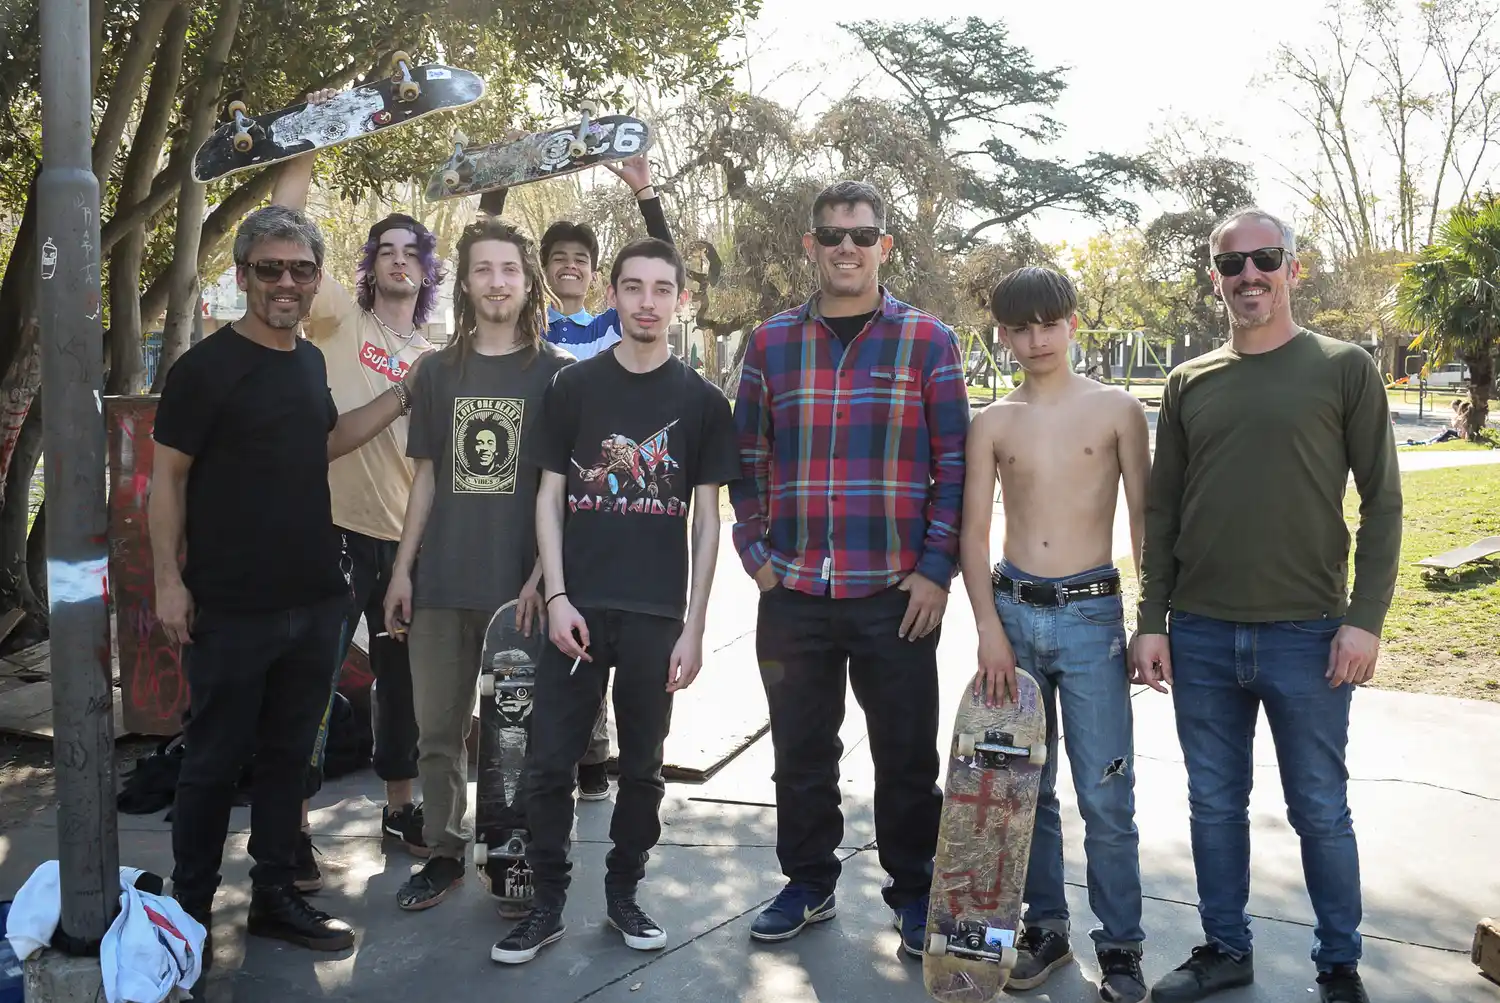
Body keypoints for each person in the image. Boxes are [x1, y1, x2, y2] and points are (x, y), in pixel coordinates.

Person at [1131, 208, 1401, 1003]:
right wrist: (1153, 620)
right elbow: (1163, 512)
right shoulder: (1189, 380)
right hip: (1203, 631)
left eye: (1265, 258)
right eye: (1232, 263)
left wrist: (1367, 617)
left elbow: (1382, 503)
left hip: (1309, 633)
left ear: (1292, 267)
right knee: (1213, 804)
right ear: (1214, 277)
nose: (1249, 274)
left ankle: (1339, 963)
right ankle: (1224, 948)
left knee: (1319, 806)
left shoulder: (1344, 367)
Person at [151, 204, 422, 955]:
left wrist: (403, 394)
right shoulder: (203, 370)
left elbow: (325, 441)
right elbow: (166, 480)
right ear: (242, 275)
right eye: (270, 268)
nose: (286, 283)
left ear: (316, 281)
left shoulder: (306, 361)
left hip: (312, 599)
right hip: (232, 606)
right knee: (210, 762)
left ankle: (273, 894)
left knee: (286, 757)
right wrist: (168, 584)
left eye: (301, 270)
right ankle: (190, 914)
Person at [728, 180, 970, 955]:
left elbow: (954, 463)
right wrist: (758, 558)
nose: (846, 248)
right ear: (810, 246)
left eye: (862, 236)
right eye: (831, 235)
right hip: (793, 592)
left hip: (895, 592)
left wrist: (936, 569)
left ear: (884, 247)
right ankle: (808, 882)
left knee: (906, 755)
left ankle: (914, 890)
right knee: (801, 753)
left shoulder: (927, 341)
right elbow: (746, 459)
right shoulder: (769, 343)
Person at [491, 237, 737, 964]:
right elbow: (548, 496)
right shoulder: (572, 389)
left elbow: (707, 520)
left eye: (662, 289)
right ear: (615, 294)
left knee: (641, 769)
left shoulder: (700, 401)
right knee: (546, 764)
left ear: (679, 300)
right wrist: (558, 594)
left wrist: (694, 626)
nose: (647, 302)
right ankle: (547, 904)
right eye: (633, 287)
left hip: (657, 616)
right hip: (579, 610)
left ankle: (624, 893)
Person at [959, 266, 1152, 1002]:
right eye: (1019, 326)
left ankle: (1123, 945)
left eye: (1049, 322)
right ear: (1002, 335)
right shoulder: (994, 421)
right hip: (1013, 614)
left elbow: (1145, 523)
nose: (1035, 339)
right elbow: (973, 536)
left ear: (1072, 322)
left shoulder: (1117, 410)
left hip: (1092, 616)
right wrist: (989, 631)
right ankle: (1046, 926)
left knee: (1105, 791)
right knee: (1021, 788)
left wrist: (1146, 623)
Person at [381, 218, 574, 912]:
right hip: (439, 587)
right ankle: (442, 850)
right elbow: (426, 480)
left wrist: (543, 581)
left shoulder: (559, 377)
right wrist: (403, 570)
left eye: (510, 270)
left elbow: (564, 494)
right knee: (436, 732)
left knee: (512, 738)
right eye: (484, 270)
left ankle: (513, 852)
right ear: (465, 282)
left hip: (515, 596)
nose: (497, 281)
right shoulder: (435, 371)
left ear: (529, 283)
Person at [272, 108, 437, 879]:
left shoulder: (439, 355)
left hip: (406, 543)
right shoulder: (339, 317)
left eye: (413, 252)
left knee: (400, 686)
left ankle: (400, 807)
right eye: (387, 250)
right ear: (372, 265)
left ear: (427, 270)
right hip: (331, 528)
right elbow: (287, 226)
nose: (399, 260)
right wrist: (312, 136)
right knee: (310, 678)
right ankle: (292, 827)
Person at [480, 153, 673, 798]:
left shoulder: (611, 322)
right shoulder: (533, 326)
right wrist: (495, 193)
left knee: (592, 618)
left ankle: (593, 756)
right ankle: (537, 751)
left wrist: (646, 195)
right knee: (537, 623)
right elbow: (483, 277)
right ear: (544, 269)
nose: (569, 266)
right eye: (557, 258)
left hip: (603, 492)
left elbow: (660, 270)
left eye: (581, 260)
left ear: (598, 276)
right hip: (538, 476)